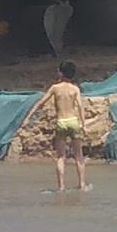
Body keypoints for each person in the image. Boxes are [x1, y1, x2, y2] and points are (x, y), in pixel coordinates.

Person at [33, 59, 100, 194]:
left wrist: (30, 114)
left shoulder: (55, 88)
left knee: (60, 156)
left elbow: (41, 102)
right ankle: (81, 184)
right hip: (73, 122)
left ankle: (61, 187)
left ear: (61, 73)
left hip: (61, 122)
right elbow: (81, 107)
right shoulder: (75, 89)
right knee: (78, 156)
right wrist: (83, 124)